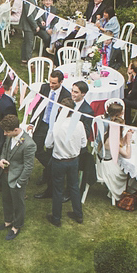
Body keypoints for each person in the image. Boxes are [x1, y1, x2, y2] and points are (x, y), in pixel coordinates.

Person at [45, 97, 87, 226]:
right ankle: (78, 215)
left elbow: (48, 144)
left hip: (59, 161)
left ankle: (56, 218)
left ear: (59, 109)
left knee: (58, 190)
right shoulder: (79, 124)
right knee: (74, 187)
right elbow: (84, 143)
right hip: (74, 160)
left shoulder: (56, 126)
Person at [29, 70, 68, 199]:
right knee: (35, 148)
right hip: (43, 123)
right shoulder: (44, 88)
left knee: (52, 151)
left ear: (61, 82)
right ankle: (51, 169)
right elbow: (36, 105)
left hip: (55, 126)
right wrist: (32, 122)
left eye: (54, 83)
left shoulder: (66, 95)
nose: (51, 85)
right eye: (50, 82)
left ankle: (49, 174)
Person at [0, 114, 35, 241]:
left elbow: (28, 167)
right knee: (6, 199)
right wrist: (2, 159)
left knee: (18, 203)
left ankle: (17, 226)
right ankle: (8, 220)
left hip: (17, 178)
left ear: (15, 130)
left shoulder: (29, 144)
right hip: (6, 174)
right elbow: (4, 150)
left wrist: (20, 182)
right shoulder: (9, 136)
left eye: (7, 131)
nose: (4, 134)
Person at [93, 101, 134, 204]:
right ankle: (122, 193)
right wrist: (128, 142)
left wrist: (125, 136)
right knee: (129, 173)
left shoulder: (110, 132)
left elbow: (120, 143)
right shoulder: (111, 139)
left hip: (104, 158)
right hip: (107, 167)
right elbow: (127, 155)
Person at [19, 0, 42, 64]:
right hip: (27, 25)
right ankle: (29, 61)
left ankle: (24, 59)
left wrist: (40, 20)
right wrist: (35, 26)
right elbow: (29, 15)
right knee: (29, 43)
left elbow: (36, 10)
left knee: (26, 42)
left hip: (29, 24)